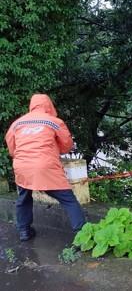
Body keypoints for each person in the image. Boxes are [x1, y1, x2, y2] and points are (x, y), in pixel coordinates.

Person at [4, 94, 86, 241]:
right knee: (68, 200)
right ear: (49, 106)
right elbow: (67, 144)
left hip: (22, 166)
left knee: (23, 197)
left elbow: (11, 147)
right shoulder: (54, 122)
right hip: (45, 166)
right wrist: (55, 150)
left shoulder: (17, 124)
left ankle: (24, 231)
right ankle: (82, 235)